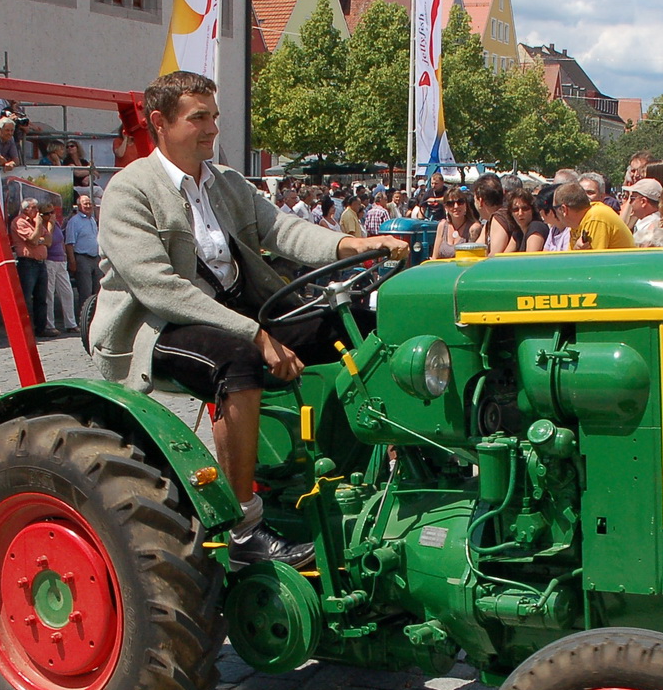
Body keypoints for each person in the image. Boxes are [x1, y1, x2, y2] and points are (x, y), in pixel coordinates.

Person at [88, 70, 409, 566]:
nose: (212, 128)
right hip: (156, 326)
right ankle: (242, 526)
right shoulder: (130, 191)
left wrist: (352, 244)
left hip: (237, 310)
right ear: (160, 122)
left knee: (355, 327)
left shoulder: (226, 183)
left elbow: (283, 229)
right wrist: (257, 336)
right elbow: (159, 288)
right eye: (199, 118)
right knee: (236, 361)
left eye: (214, 116)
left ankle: (361, 475)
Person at [11, 199, 51, 336]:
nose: (37, 211)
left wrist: (39, 238)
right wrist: (39, 225)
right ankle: (25, 330)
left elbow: (49, 240)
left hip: (40, 264)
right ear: (26, 209)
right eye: (34, 208)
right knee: (26, 297)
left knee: (41, 298)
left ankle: (41, 328)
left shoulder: (35, 222)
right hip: (27, 264)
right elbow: (33, 240)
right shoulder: (20, 222)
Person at [558, 182, 634, 251]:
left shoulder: (596, 217)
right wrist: (576, 250)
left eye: (555, 208)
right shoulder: (577, 222)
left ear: (564, 209)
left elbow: (595, 260)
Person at [43, 202, 76, 335]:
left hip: (61, 260)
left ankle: (71, 323)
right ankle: (50, 325)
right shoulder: (43, 226)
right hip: (49, 260)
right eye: (47, 213)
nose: (51, 215)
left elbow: (61, 240)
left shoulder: (56, 224)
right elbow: (48, 241)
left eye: (52, 212)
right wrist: (49, 225)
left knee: (67, 292)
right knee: (49, 294)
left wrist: (66, 256)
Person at [67, 193, 102, 317]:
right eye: (85, 204)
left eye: (89, 203)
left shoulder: (92, 219)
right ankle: (84, 319)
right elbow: (69, 243)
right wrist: (72, 262)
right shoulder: (74, 221)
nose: (88, 206)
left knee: (98, 290)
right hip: (82, 259)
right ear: (78, 206)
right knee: (85, 292)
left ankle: (96, 318)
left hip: (96, 258)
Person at [469, 175, 518, 255]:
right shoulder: (490, 221)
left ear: (480, 201)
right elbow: (477, 249)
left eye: (475, 200)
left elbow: (495, 256)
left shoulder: (498, 219)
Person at [626, 179, 663, 246]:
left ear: (643, 202)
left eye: (632, 198)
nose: (630, 203)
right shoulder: (642, 222)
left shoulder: (654, 230)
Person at [508, 188, 546, 253]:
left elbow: (531, 257)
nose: (520, 213)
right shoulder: (518, 232)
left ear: (532, 210)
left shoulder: (536, 227)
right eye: (515, 209)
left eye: (525, 208)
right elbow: (504, 256)